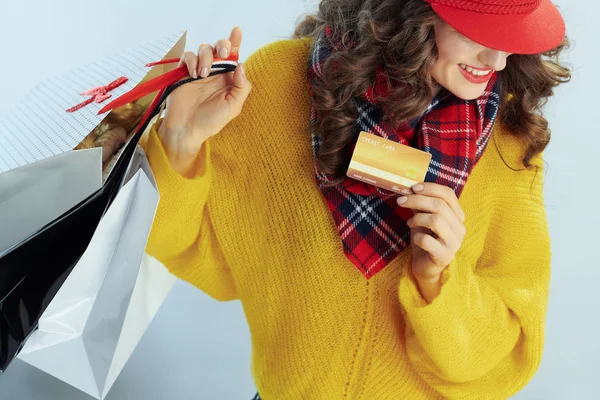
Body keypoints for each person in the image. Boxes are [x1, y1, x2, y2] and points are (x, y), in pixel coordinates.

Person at [141, 0, 571, 398]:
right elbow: (209, 257)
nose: (497, 60)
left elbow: (504, 359)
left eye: (511, 36)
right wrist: (180, 141)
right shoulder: (276, 84)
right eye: (479, 30)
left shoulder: (510, 143)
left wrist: (438, 282)